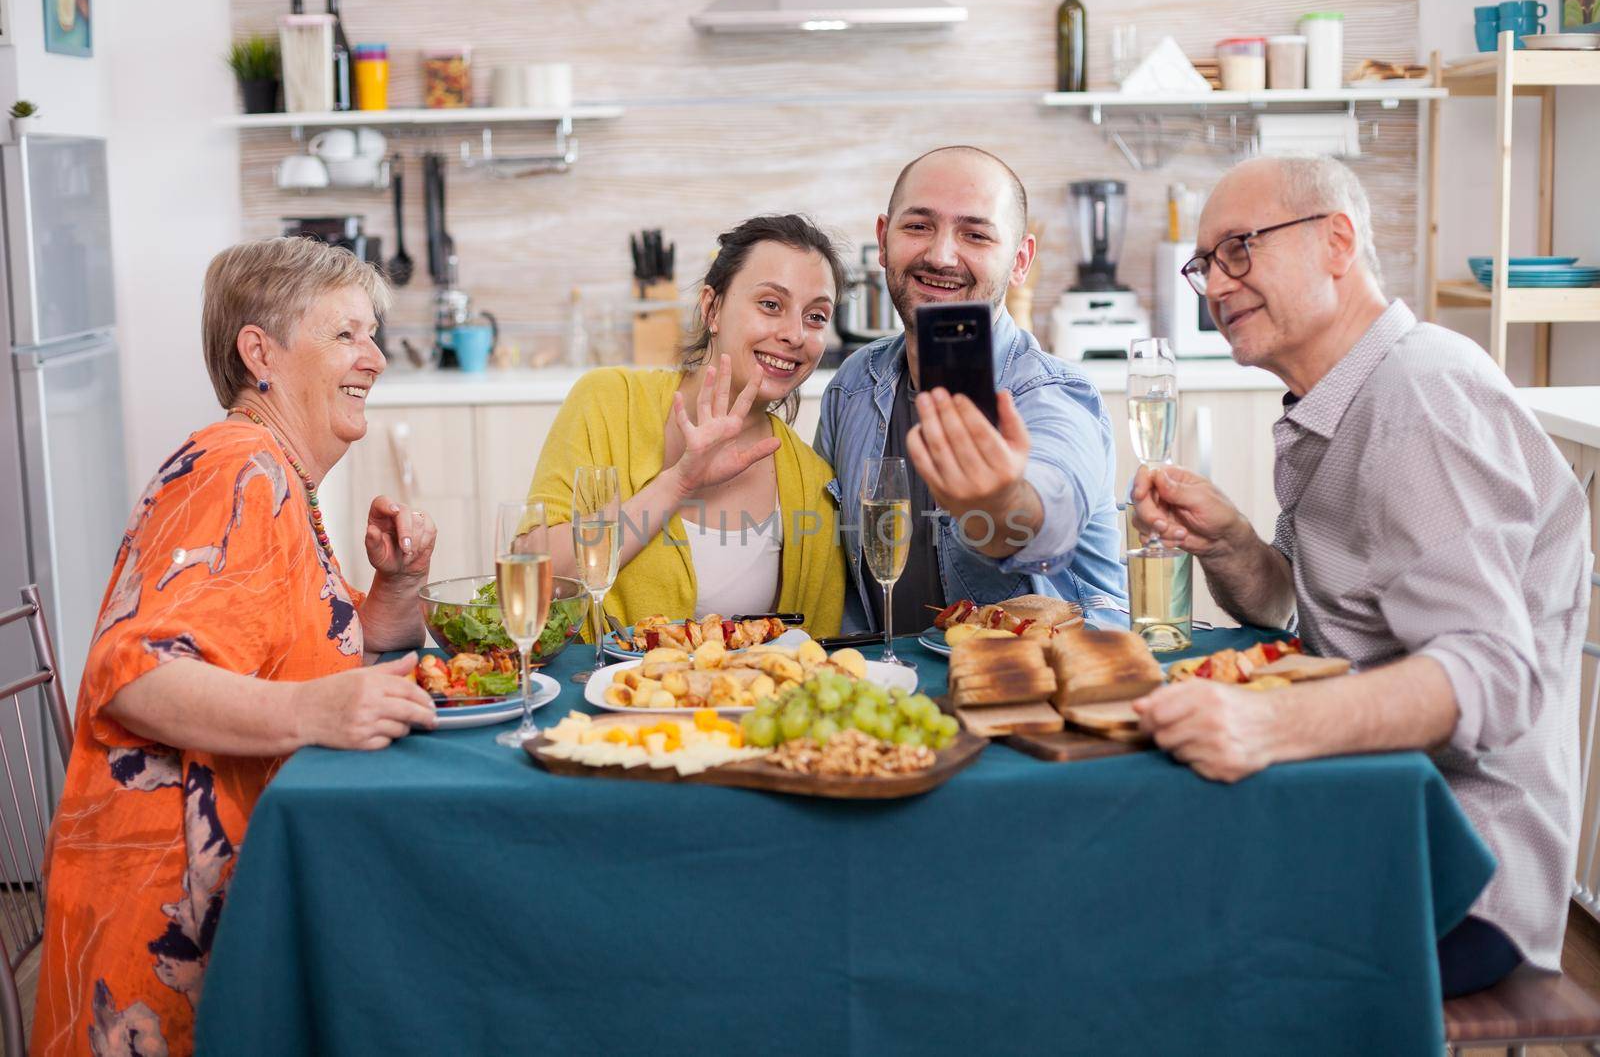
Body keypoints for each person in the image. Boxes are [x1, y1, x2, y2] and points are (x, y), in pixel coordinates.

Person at [1129, 155, 1592, 996]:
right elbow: (1306, 617)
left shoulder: (1422, 399)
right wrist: (1231, 542)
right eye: (1206, 264)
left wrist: (1267, 725)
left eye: (1239, 249)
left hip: (1457, 866)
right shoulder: (1341, 397)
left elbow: (1490, 676)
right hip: (1369, 807)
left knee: (1136, 924)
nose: (1215, 287)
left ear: (1337, 241)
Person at [32, 237, 441, 1055]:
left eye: (373, 336)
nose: (374, 358)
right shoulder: (236, 467)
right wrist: (310, 710)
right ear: (260, 351)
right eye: (346, 335)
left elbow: (321, 658)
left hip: (226, 899)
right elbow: (133, 670)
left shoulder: (280, 476)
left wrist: (391, 594)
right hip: (157, 947)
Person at [814, 145, 1125, 636]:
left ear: (1020, 260)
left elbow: (1054, 508)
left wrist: (1001, 504)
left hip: (1046, 693)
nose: (940, 256)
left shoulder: (1055, 393)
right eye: (917, 227)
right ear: (883, 239)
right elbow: (839, 579)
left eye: (975, 234)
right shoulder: (853, 385)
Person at [527, 214, 848, 635]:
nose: (795, 334)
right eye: (771, 305)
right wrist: (678, 483)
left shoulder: (813, 484)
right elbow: (533, 578)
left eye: (816, 317)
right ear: (712, 308)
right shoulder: (607, 402)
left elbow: (812, 663)